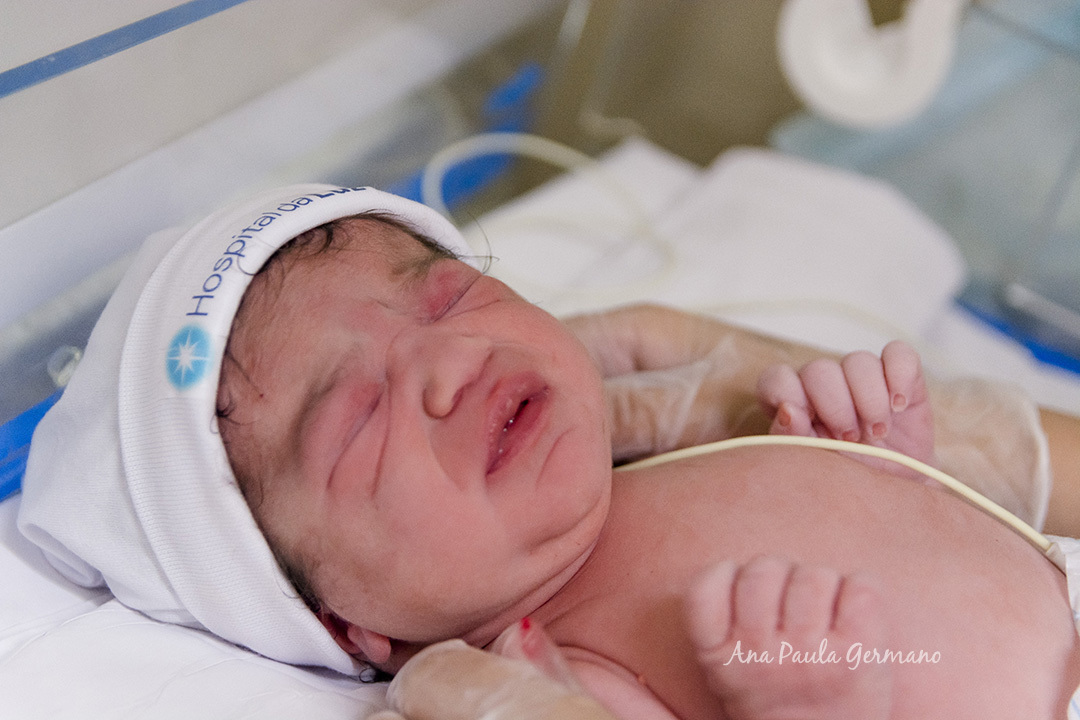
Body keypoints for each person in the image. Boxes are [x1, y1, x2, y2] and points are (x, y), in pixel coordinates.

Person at [17, 185, 1080, 719]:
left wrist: (887, 466)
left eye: (450, 297)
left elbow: (929, 551)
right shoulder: (551, 668)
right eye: (361, 417)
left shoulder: (668, 469)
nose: (450, 362)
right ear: (344, 624)